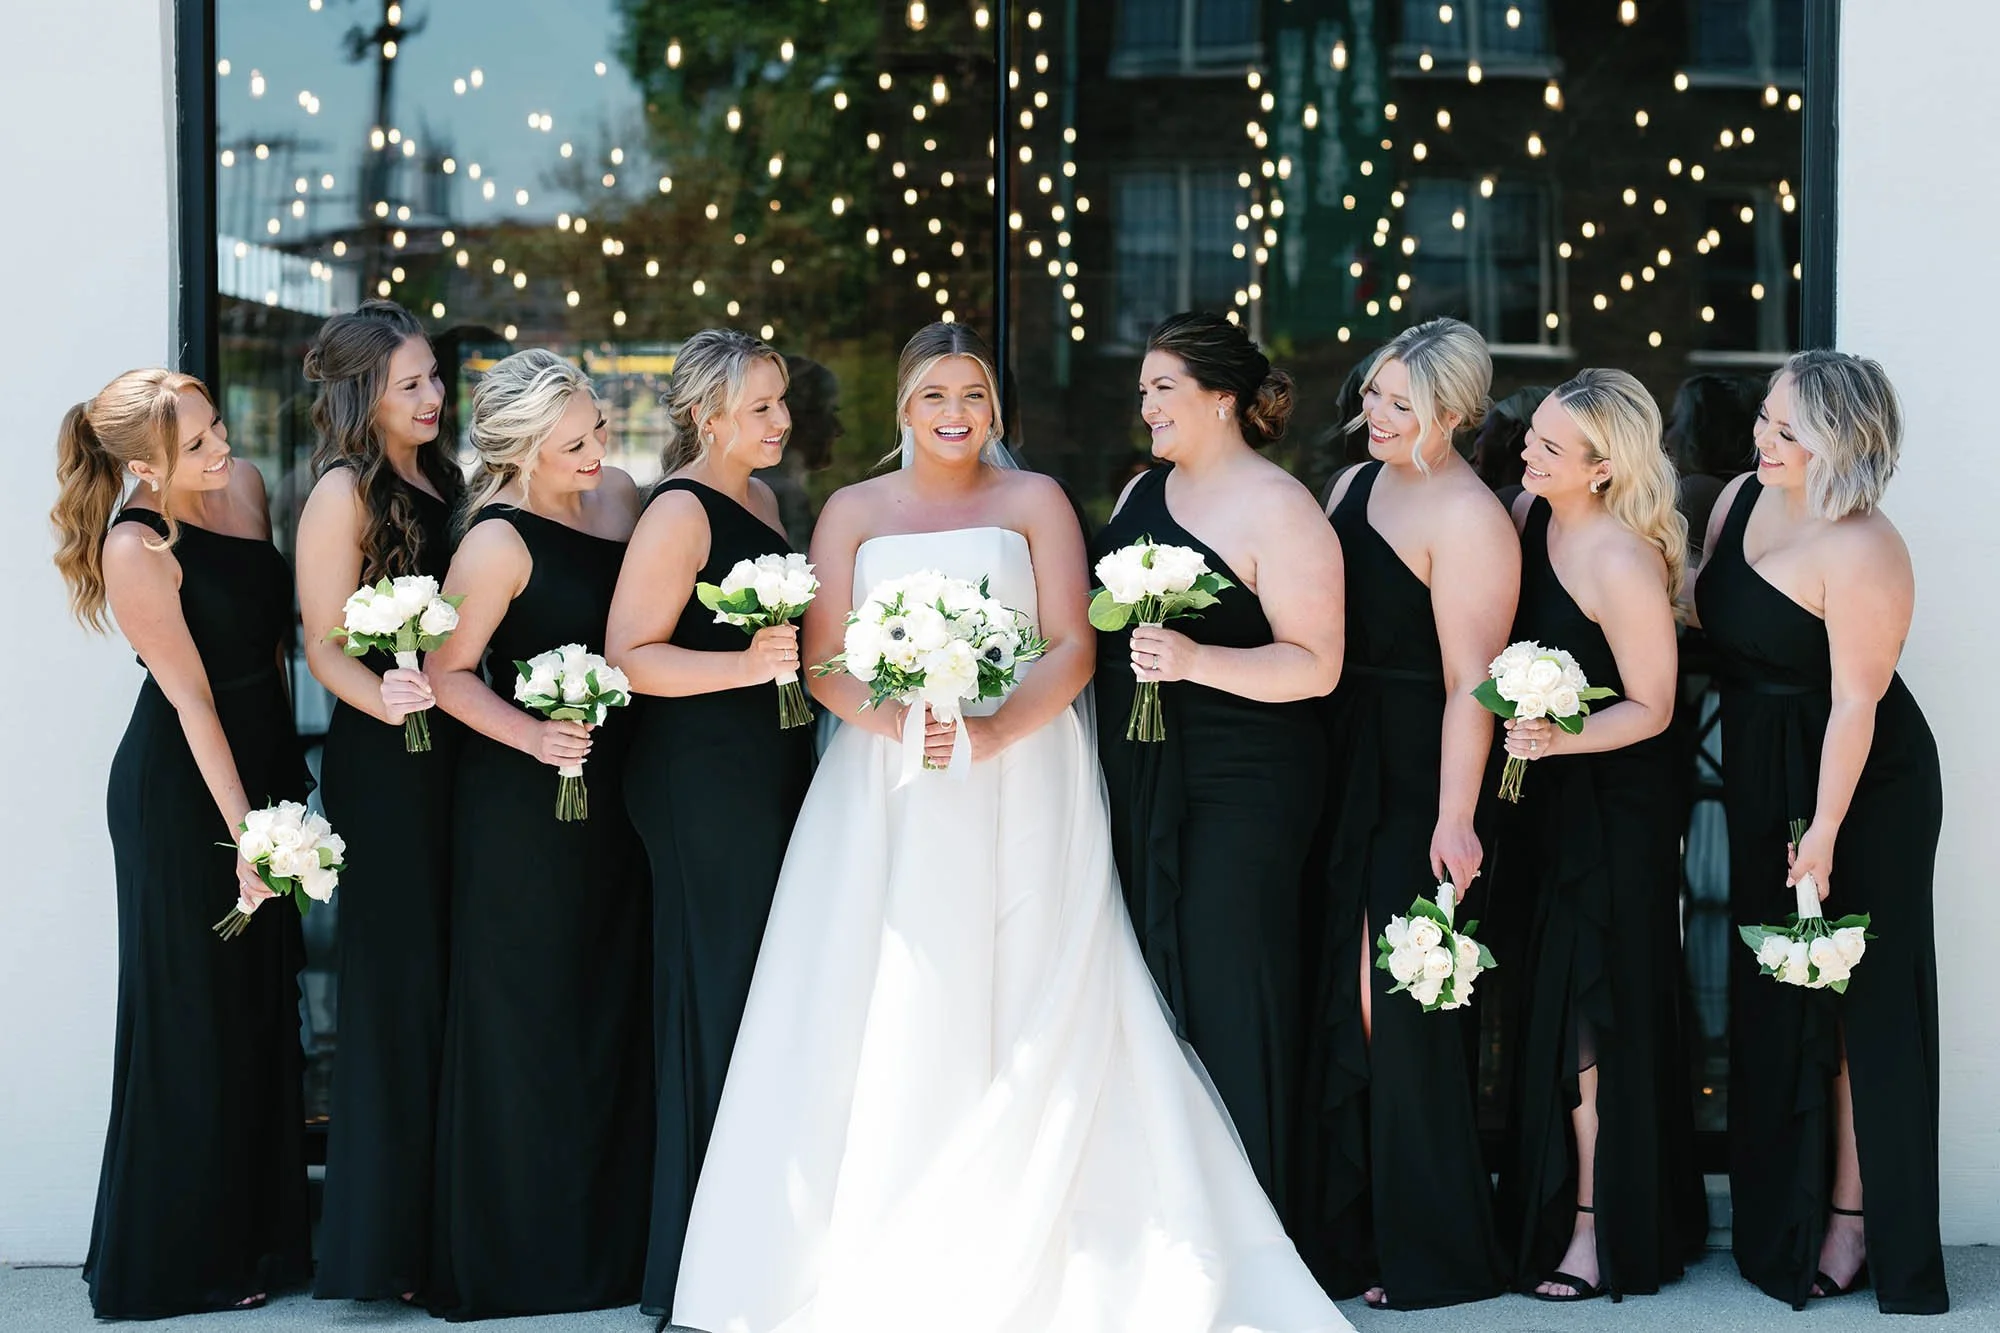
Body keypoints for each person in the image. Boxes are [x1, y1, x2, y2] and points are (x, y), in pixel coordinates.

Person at [672, 323, 1348, 1333]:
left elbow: (1074, 642)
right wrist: (906, 721)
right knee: (894, 985)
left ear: (995, 409)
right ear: (903, 405)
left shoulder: (1035, 502)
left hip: (1023, 765)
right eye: (935, 395)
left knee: (1034, 971)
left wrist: (994, 730)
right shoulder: (851, 510)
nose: (956, 415)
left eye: (975, 396)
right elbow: (824, 662)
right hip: (889, 777)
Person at [1691, 350, 1947, 1315]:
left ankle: (1853, 1218)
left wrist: (1828, 829)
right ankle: (1781, 1215)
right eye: (1765, 416)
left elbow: (1855, 705)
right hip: (1760, 769)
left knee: (1857, 1004)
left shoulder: (1867, 545)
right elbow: (1703, 612)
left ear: (1843, 443)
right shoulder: (1738, 504)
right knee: (1779, 998)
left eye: (1789, 430)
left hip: (1861, 784)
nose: (1764, 438)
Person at [55, 370, 310, 1317]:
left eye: (217, 429)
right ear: (138, 467)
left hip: (261, 766)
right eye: (196, 444)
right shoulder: (135, 544)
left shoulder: (236, 490)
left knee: (258, 1005)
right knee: (193, 1015)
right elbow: (194, 701)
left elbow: (268, 648)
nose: (222, 451)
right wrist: (247, 833)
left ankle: (264, 1245)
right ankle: (183, 1260)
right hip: (186, 790)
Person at [1093, 312, 1345, 1221]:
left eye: (1164, 387)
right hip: (1144, 770)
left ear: (1223, 400)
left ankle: (1252, 1220)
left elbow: (1317, 662)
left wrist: (1198, 662)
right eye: (1144, 389)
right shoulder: (1138, 496)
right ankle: (1167, 1213)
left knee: (1231, 977)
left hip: (1248, 783)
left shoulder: (1280, 507)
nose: (1147, 403)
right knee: (1154, 976)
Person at [424, 350, 652, 1318]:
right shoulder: (494, 543)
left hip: (618, 799)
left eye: (598, 427)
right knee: (526, 1019)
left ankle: (610, 1247)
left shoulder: (622, 503)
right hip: (522, 809)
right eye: (574, 442)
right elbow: (447, 673)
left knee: (607, 1008)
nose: (597, 450)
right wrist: (535, 735)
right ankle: (519, 1260)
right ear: (520, 450)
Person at [1292, 317, 1513, 1309]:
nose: (1372, 414)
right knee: (1337, 991)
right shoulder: (1349, 485)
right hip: (1336, 759)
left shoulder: (1469, 518)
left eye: (1398, 403)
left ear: (1452, 415)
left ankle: (1430, 1249)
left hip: (1420, 769)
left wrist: (1454, 817)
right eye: (1373, 393)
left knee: (1399, 1002)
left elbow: (1472, 680)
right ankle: (1345, 1234)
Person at [605, 330, 816, 1317]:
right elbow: (630, 655)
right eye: (763, 407)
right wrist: (743, 668)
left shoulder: (763, 502)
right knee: (716, 990)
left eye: (780, 403)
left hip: (764, 767)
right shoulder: (678, 513)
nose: (781, 422)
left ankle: (756, 1234)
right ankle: (697, 1264)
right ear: (708, 415)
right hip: (695, 779)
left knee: (765, 991)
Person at [1492, 370, 1707, 1301]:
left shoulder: (1618, 557)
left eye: (1548, 446)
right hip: (1544, 796)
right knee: (1548, 1001)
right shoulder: (1533, 516)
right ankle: (1557, 1205)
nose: (1526, 453)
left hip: (1614, 805)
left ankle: (1594, 1227)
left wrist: (1557, 732)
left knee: (1593, 1008)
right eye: (1531, 435)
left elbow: (1655, 706)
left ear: (1604, 467)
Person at [294, 299, 462, 1303]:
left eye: (435, 377)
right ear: (366, 394)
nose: (434, 395)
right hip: (387, 751)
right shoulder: (341, 495)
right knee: (395, 986)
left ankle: (444, 1220)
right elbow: (321, 640)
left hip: (458, 752)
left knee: (449, 979)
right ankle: (376, 1247)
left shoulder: (446, 480)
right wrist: (387, 690)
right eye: (411, 383)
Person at [1664, 373, 1761, 561]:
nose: (1666, 432)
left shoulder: (1698, 491)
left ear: (1696, 433)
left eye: (1674, 420)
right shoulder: (1734, 488)